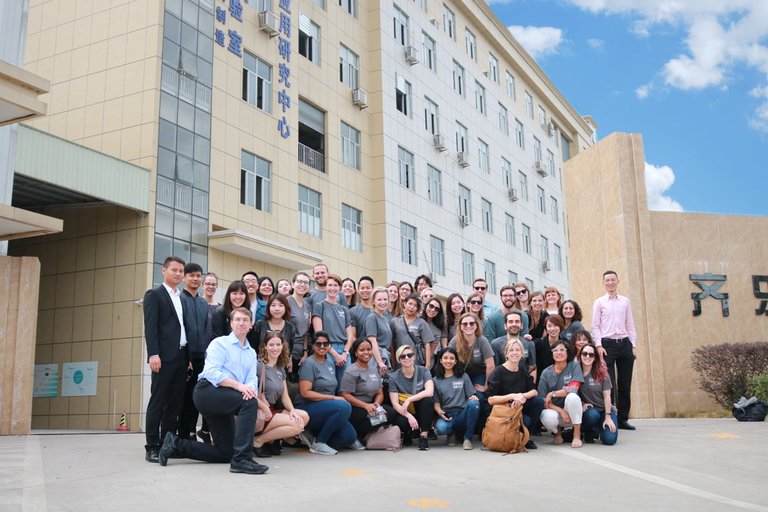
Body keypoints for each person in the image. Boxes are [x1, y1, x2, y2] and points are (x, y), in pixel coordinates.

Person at [157, 307, 268, 475]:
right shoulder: (220, 343)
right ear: (231, 323)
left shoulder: (251, 353)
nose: (241, 323)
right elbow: (211, 373)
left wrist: (250, 389)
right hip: (207, 392)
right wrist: (240, 387)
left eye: (245, 320)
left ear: (251, 324)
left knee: (226, 452)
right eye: (237, 319)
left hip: (226, 397)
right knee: (249, 403)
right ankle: (242, 460)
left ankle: (176, 445)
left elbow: (251, 379)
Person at [143, 256, 188, 463]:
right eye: (174, 270)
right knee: (158, 402)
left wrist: (186, 357)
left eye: (181, 271)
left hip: (180, 356)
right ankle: (152, 446)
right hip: (162, 357)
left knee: (174, 404)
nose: (178, 274)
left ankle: (166, 444)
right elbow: (151, 328)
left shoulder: (181, 297)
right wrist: (153, 354)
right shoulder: (155, 294)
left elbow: (182, 328)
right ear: (164, 271)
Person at [295, 331, 360, 455]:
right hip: (307, 407)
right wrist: (333, 398)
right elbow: (305, 393)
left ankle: (313, 434)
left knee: (349, 437)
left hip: (327, 408)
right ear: (313, 346)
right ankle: (319, 442)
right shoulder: (309, 363)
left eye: (325, 344)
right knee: (344, 406)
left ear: (330, 346)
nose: (322, 347)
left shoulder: (330, 361)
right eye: (318, 344)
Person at [591, 270, 638, 430]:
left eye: (613, 280)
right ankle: (611, 416)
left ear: (618, 281)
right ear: (603, 282)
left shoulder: (625, 301)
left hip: (624, 343)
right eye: (607, 280)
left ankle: (624, 418)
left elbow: (630, 324)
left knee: (625, 383)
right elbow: (595, 326)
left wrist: (633, 345)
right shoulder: (599, 302)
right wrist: (598, 346)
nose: (610, 282)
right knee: (608, 384)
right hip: (607, 345)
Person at [252, 332, 309, 457]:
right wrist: (264, 407)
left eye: (278, 344)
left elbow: (285, 396)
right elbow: (250, 393)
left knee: (303, 416)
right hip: (261, 411)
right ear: (265, 347)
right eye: (271, 345)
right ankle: (257, 441)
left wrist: (292, 410)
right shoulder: (258, 366)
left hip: (272, 409)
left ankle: (269, 440)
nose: (275, 348)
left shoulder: (280, 368)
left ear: (283, 346)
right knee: (296, 426)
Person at [487, 339, 544, 449]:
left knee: (538, 401)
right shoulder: (498, 372)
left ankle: (526, 437)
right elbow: (490, 399)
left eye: (518, 350)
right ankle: (514, 436)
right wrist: (513, 396)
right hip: (504, 409)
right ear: (506, 354)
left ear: (522, 354)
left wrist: (522, 397)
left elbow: (534, 390)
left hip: (519, 406)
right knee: (526, 420)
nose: (514, 352)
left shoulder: (522, 370)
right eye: (511, 350)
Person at [340, 338, 400, 442]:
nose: (366, 352)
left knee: (390, 413)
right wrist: (365, 406)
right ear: (355, 353)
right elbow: (345, 394)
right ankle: (357, 435)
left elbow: (380, 392)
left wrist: (376, 404)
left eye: (368, 349)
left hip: (371, 405)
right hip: (356, 407)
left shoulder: (373, 369)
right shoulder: (351, 371)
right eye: (362, 350)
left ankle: (368, 433)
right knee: (373, 418)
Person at [178, 263, 212, 441]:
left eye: (198, 275)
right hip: (184, 358)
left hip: (201, 358)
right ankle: (181, 434)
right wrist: (187, 357)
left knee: (195, 398)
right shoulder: (179, 299)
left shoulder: (202, 303)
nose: (195, 279)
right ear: (184, 277)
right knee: (181, 398)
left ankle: (191, 432)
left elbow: (207, 332)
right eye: (191, 275)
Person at [538, 339, 584, 448]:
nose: (559, 353)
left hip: (572, 411)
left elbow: (573, 388)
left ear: (568, 352)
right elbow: (544, 400)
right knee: (547, 417)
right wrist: (561, 411)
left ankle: (576, 435)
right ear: (552, 353)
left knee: (572, 397)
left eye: (562, 350)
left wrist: (553, 393)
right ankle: (557, 433)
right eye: (555, 350)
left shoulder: (574, 366)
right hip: (556, 411)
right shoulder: (546, 373)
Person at [432, 347, 481, 450]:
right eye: (445, 358)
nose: (448, 361)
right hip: (448, 415)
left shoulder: (463, 376)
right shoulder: (435, 381)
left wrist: (473, 397)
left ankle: (467, 438)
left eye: (451, 358)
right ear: (440, 360)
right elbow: (436, 404)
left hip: (463, 413)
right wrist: (440, 412)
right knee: (441, 428)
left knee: (474, 404)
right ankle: (452, 434)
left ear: (455, 361)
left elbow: (471, 395)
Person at [311, 273, 355, 387]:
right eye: (330, 285)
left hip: (344, 350)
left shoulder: (344, 310)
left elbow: (350, 336)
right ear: (325, 287)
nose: (332, 288)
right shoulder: (319, 306)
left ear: (340, 288)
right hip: (326, 349)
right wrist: (335, 354)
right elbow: (318, 334)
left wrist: (345, 353)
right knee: (330, 384)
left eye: (336, 285)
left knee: (345, 386)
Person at [388, 345, 435, 450]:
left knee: (427, 401)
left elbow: (430, 391)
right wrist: (409, 416)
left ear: (414, 357)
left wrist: (410, 399)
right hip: (405, 411)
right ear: (399, 360)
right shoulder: (394, 377)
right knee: (401, 421)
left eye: (409, 355)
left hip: (420, 409)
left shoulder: (423, 371)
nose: (406, 358)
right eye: (403, 356)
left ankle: (423, 436)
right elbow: (395, 403)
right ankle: (408, 432)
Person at [578, 340, 618, 445]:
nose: (587, 357)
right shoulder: (576, 372)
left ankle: (598, 429)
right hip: (590, 411)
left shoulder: (602, 373)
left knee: (610, 440)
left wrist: (608, 416)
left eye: (591, 354)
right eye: (584, 353)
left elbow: (607, 396)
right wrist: (582, 404)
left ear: (595, 357)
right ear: (580, 355)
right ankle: (587, 431)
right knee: (592, 415)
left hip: (605, 410)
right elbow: (573, 393)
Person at [391, 294, 436, 369]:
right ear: (405, 304)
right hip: (400, 361)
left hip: (416, 362)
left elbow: (427, 344)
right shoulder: (395, 321)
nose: (411, 307)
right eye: (410, 303)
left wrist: (427, 365)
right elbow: (391, 343)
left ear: (417, 309)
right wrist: (393, 361)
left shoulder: (421, 323)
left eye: (415, 306)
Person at [490, 311, 536, 382]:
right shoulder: (496, 344)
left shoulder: (529, 344)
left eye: (517, 321)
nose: (514, 324)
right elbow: (494, 369)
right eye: (510, 322)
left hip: (523, 382)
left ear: (522, 325)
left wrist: (531, 386)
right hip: (502, 383)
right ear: (505, 326)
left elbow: (532, 368)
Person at [287, 271, 312, 380]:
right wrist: (288, 357)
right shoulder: (286, 302)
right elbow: (282, 331)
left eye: (306, 282)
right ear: (292, 284)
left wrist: (305, 352)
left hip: (301, 354)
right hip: (287, 352)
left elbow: (305, 332)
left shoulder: (307, 306)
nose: (302, 285)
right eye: (299, 281)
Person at [365, 287, 393, 375]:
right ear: (373, 301)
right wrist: (380, 362)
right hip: (375, 358)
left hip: (385, 356)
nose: (383, 302)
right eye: (379, 299)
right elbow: (372, 341)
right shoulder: (372, 317)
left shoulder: (385, 318)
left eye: (385, 299)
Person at [533, 314, 565, 384]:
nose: (552, 329)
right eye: (549, 326)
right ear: (546, 328)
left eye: (555, 325)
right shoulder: (538, 344)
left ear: (560, 327)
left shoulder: (565, 344)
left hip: (560, 382)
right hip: (541, 382)